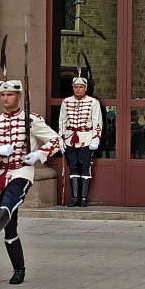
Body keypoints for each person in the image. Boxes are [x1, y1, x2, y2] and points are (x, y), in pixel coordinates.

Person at [0, 79, 61, 284]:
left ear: (19, 96)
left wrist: (39, 154)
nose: (5, 98)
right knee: (11, 225)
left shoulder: (31, 120)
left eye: (10, 94)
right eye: (3, 95)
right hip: (1, 174)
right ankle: (18, 269)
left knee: (10, 200)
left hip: (22, 172)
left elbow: (56, 140)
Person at [58, 76, 102, 207]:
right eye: (76, 87)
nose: (78, 89)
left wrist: (96, 139)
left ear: (86, 88)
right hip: (70, 138)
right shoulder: (66, 102)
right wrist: (61, 138)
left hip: (86, 138)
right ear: (73, 88)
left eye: (81, 87)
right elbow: (62, 120)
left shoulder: (93, 102)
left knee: (85, 167)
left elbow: (97, 122)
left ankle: (83, 198)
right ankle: (75, 198)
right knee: (73, 168)